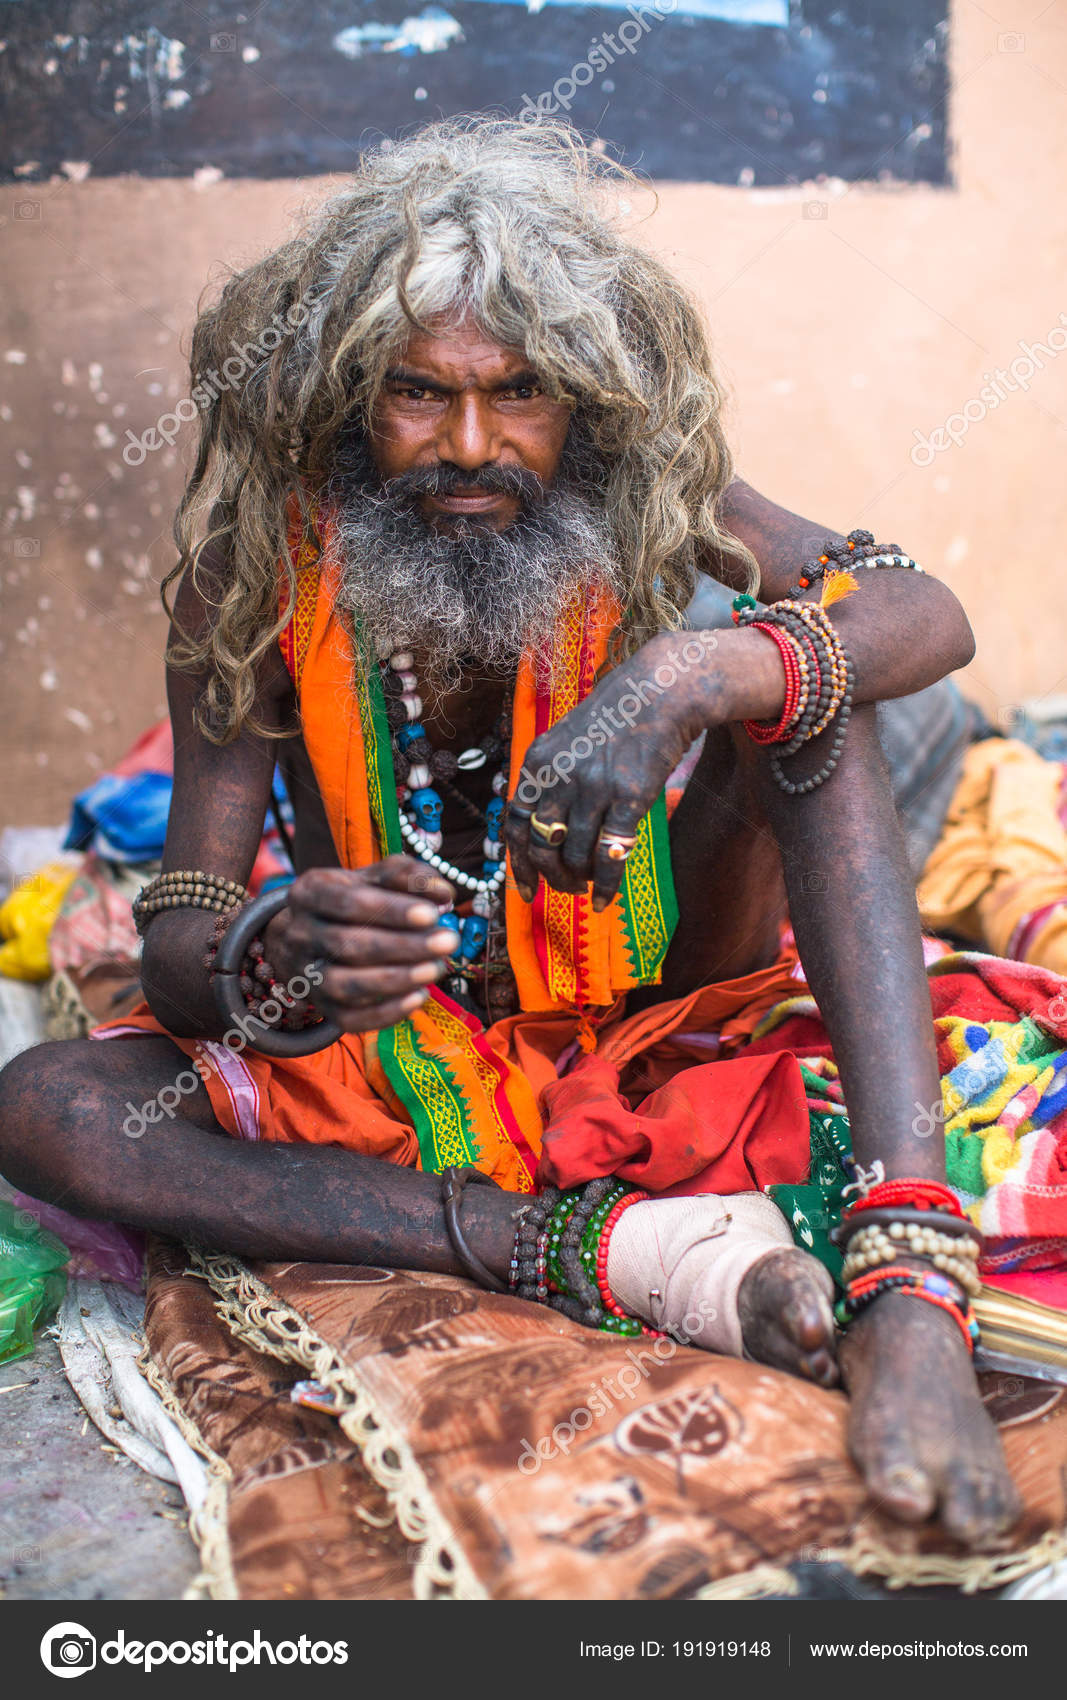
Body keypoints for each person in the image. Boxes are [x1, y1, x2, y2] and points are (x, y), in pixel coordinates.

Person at [0, 118, 1020, 1549]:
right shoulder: (258, 569)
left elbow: (927, 615)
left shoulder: (651, 497)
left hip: (661, 1001)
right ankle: (582, 1247)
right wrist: (257, 959)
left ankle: (912, 1287)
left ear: (583, 400)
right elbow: (179, 941)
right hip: (393, 1059)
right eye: (417, 396)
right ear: (349, 397)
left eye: (522, 393)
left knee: (817, 685)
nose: (471, 446)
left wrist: (682, 674)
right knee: (48, 1108)